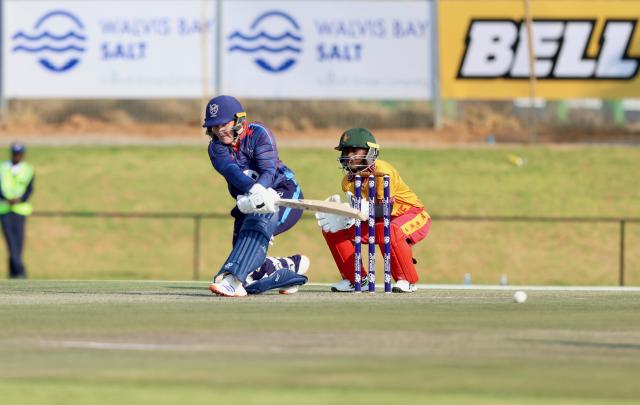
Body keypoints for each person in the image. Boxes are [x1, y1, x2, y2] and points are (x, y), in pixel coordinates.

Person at [203, 95, 309, 297]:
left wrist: (260, 191)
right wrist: (254, 193)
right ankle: (289, 268)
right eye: (214, 127)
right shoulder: (215, 148)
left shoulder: (259, 133)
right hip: (250, 201)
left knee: (260, 220)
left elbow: (268, 170)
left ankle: (233, 280)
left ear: (238, 119)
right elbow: (231, 171)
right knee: (251, 275)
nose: (219, 130)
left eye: (224, 124)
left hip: (284, 193)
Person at [315, 128, 431, 293]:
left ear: (370, 152)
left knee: (391, 230)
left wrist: (361, 210)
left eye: (355, 150)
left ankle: (407, 280)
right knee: (333, 230)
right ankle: (356, 278)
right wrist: (344, 215)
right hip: (377, 221)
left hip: (412, 215)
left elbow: (385, 209)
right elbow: (367, 216)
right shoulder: (347, 182)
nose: (349, 156)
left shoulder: (383, 172)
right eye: (346, 151)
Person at [0, 142, 35, 279]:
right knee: (11, 242)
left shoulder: (28, 169)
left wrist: (21, 200)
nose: (17, 156)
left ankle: (14, 272)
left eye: (19, 154)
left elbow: (30, 189)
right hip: (5, 209)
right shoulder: (3, 168)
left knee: (19, 243)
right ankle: (20, 271)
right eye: (15, 153)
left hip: (21, 210)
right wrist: (6, 199)